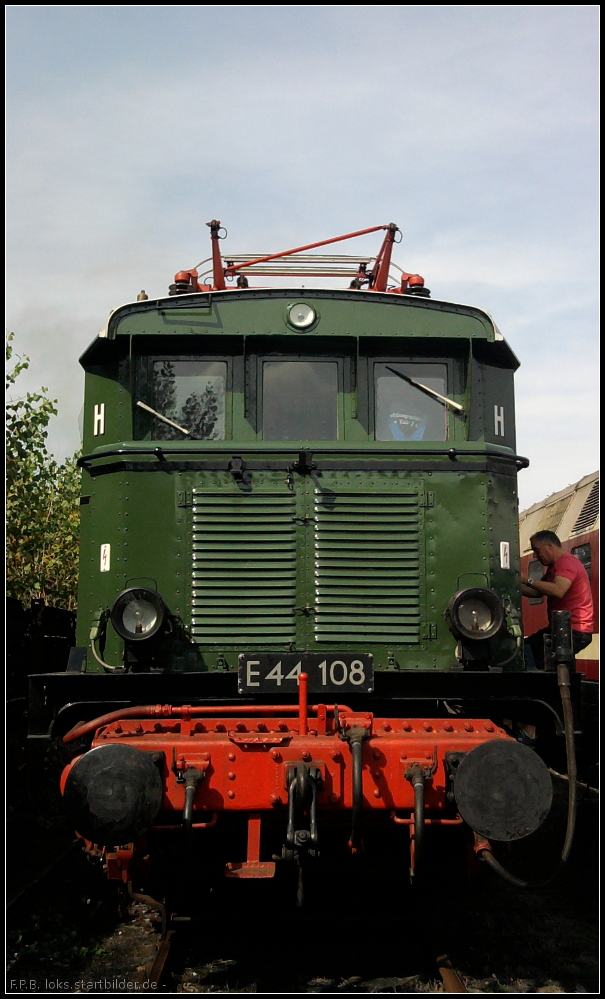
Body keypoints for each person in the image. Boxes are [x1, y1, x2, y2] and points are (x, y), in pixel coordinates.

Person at [521, 530, 593, 669]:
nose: (535, 555)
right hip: (562, 629)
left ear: (549, 546)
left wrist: (528, 580)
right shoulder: (554, 567)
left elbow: (558, 590)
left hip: (574, 630)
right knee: (529, 648)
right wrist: (514, 585)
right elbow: (537, 592)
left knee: (528, 652)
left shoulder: (566, 563)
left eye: (536, 550)